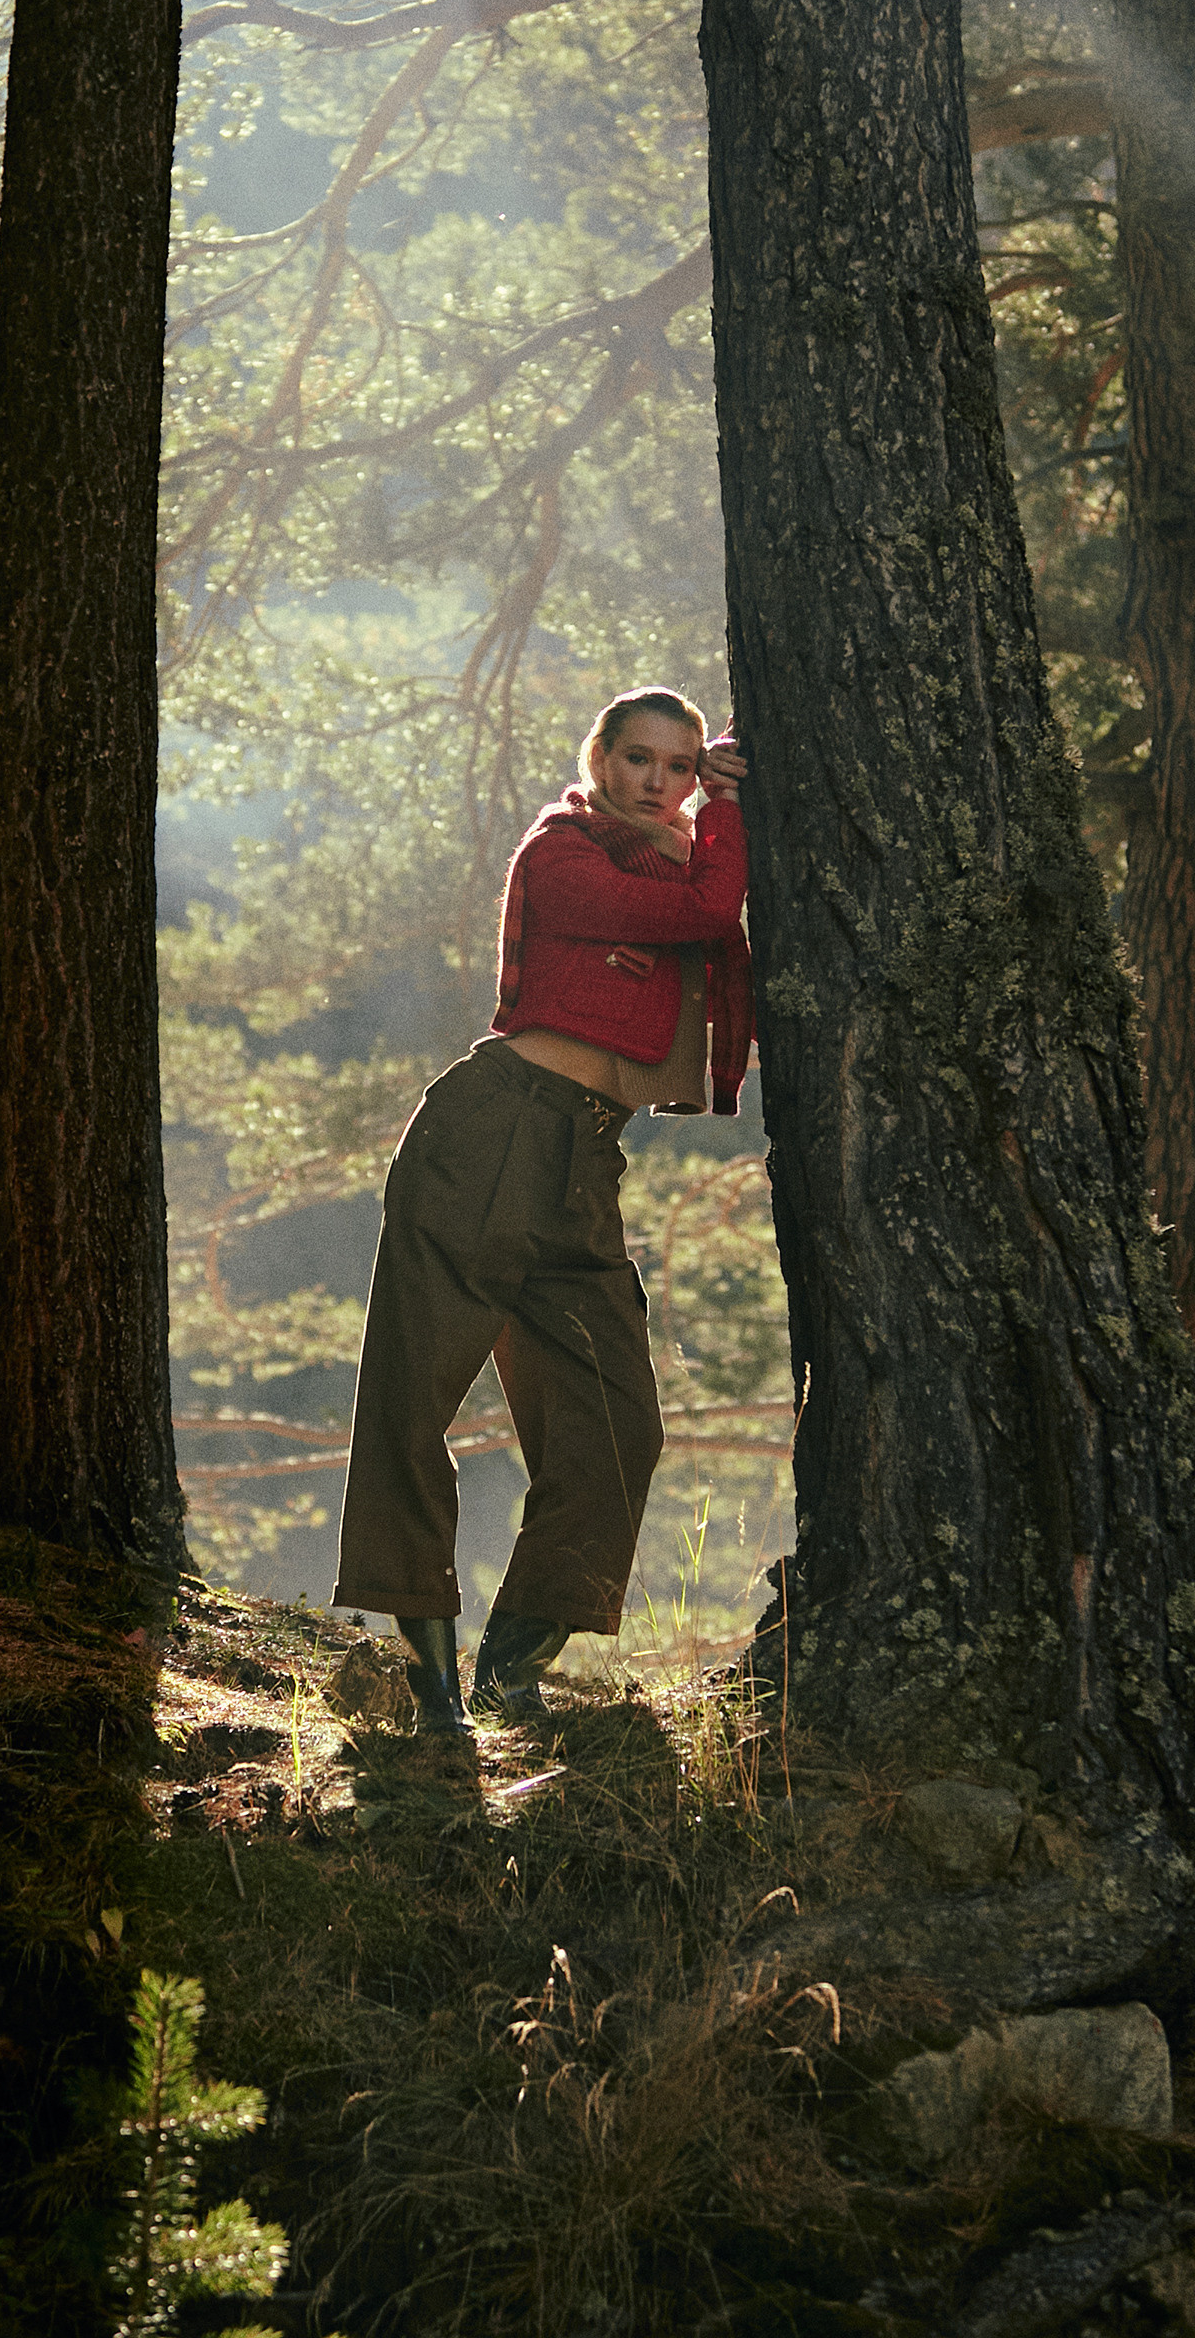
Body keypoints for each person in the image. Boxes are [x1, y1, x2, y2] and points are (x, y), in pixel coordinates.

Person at [331, 689, 751, 1734]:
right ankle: (430, 1680)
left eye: (682, 765)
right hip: (491, 1132)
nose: (659, 780)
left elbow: (720, 933)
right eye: (640, 758)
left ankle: (512, 1667)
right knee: (412, 1394)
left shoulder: (674, 856)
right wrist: (732, 814)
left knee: (616, 1422)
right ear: (600, 759)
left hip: (585, 1164)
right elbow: (704, 914)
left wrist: (735, 800)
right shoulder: (562, 853)